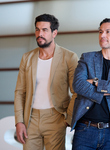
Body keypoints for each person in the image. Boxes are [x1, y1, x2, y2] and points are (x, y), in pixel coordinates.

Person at [14, 14, 78, 150]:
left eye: (44, 30)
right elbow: (20, 92)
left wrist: (68, 119)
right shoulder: (27, 58)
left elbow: (76, 92)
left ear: (54, 33)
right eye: (37, 29)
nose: (39, 34)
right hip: (30, 119)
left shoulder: (69, 57)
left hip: (56, 117)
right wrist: (19, 121)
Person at [71, 18, 110, 150]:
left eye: (108, 32)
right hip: (85, 129)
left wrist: (94, 82)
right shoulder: (87, 58)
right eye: (100, 32)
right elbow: (78, 85)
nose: (102, 35)